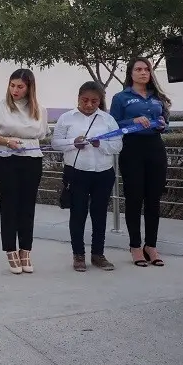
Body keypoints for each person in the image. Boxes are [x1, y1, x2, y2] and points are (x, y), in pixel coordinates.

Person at [0, 68, 48, 275]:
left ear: (29, 88)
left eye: (20, 86)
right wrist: (7, 141)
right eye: (12, 85)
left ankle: (25, 250)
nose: (15, 90)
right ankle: (10, 250)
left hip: (32, 161)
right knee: (9, 207)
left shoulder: (39, 109)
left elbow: (42, 134)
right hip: (5, 160)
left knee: (27, 207)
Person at [52, 82, 122, 272]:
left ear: (100, 101)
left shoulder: (107, 120)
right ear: (78, 98)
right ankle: (78, 255)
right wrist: (72, 143)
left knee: (99, 214)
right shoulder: (66, 118)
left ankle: (98, 254)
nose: (89, 105)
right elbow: (55, 143)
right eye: (85, 100)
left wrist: (101, 144)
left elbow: (117, 146)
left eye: (94, 101)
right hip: (76, 172)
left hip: (103, 172)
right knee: (78, 214)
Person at [110, 57, 171, 267]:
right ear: (131, 73)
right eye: (138, 69)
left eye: (146, 69)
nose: (143, 72)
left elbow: (166, 122)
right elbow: (114, 125)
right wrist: (132, 121)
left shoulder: (157, 98)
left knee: (154, 199)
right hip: (131, 149)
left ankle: (151, 246)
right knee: (134, 198)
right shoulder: (121, 98)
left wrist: (163, 124)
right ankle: (135, 246)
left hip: (155, 147)